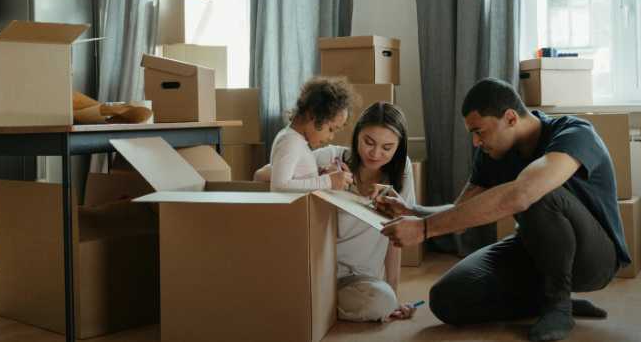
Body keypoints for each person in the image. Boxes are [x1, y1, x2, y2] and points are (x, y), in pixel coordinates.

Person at [379, 78, 628, 342]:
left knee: (537, 192)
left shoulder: (575, 133)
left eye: (480, 131)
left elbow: (523, 194)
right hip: (535, 250)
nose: (475, 142)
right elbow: (461, 213)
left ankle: (559, 305)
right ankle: (545, 300)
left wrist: (424, 230)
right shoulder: (492, 153)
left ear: (510, 118)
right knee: (446, 299)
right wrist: (414, 211)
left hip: (594, 259)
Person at [258, 101, 419, 322]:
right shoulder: (331, 157)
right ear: (356, 136)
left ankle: (311, 306)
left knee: (382, 302)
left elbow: (396, 237)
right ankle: (312, 304)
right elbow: (262, 175)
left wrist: (394, 295)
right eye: (368, 142)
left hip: (359, 281)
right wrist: (322, 178)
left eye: (387, 148)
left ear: (398, 148)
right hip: (316, 271)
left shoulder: (402, 173)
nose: (375, 153)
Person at [268, 76, 355, 192]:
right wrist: (328, 181)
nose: (331, 137)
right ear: (313, 115)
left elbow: (297, 179)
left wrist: (319, 175)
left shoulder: (297, 140)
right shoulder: (290, 141)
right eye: (330, 129)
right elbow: (279, 186)